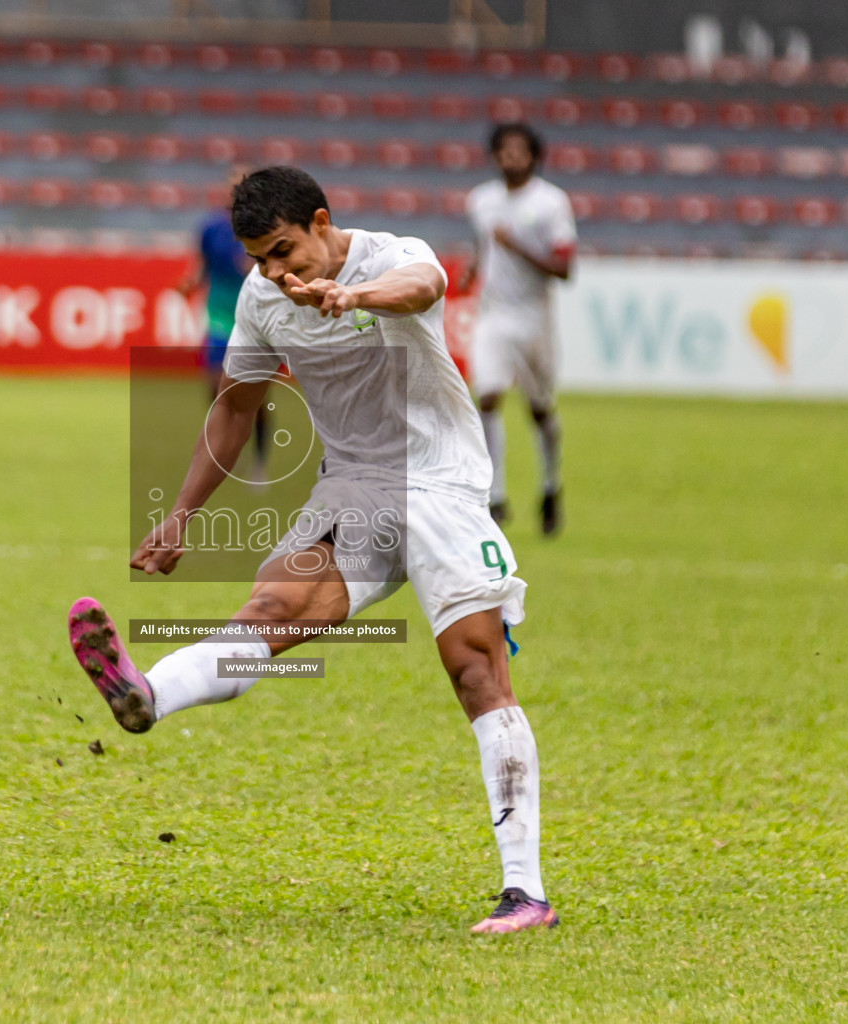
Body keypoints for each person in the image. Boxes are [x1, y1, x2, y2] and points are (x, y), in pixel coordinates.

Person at [69, 166, 558, 934]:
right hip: (353, 491)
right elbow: (235, 410)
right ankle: (147, 696)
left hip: (439, 485)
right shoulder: (266, 301)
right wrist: (183, 515)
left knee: (474, 671)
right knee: (270, 606)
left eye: (285, 250)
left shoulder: (392, 256)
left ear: (323, 222)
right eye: (259, 259)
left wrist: (352, 296)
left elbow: (425, 289)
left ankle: (525, 893)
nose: (273, 272)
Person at [460, 123, 576, 535]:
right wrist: (475, 267)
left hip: (534, 317)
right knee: (487, 398)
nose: (510, 157)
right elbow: (483, 245)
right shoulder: (481, 200)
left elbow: (565, 268)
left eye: (518, 150)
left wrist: (518, 248)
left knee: (540, 408)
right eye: (503, 150)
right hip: (492, 314)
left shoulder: (550, 203)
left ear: (534, 155)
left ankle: (550, 486)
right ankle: (495, 498)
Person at [175, 166, 269, 481]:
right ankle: (221, 451)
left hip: (253, 318)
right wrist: (190, 282)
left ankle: (258, 460)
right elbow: (201, 265)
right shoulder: (212, 228)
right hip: (218, 315)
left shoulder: (264, 229)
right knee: (215, 388)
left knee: (254, 395)